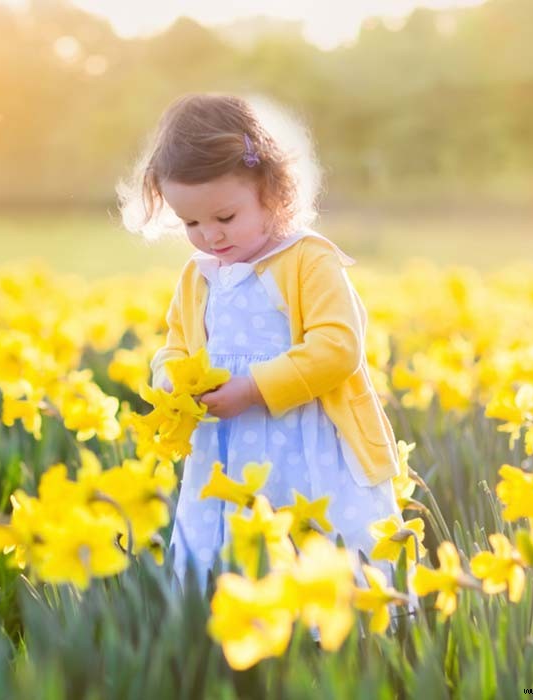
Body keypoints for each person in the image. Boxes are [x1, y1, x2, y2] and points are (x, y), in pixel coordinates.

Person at [116, 93, 414, 623]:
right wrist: (169, 380)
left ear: (273, 193)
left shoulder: (307, 260)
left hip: (309, 449)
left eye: (226, 216)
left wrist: (254, 388)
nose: (209, 235)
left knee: (314, 562)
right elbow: (176, 345)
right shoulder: (198, 274)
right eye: (190, 223)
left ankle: (332, 648)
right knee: (230, 564)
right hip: (223, 456)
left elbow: (338, 348)